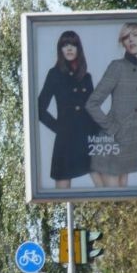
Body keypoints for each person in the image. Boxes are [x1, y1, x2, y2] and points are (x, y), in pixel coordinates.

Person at [85, 22, 137, 187]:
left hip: (131, 144)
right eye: (126, 37)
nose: (131, 40)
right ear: (122, 43)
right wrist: (114, 129)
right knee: (113, 197)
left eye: (135, 35)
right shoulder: (117, 66)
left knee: (122, 198)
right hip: (111, 142)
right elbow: (92, 103)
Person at [37, 30, 101, 188]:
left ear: (79, 48)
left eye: (73, 44)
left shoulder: (86, 77)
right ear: (60, 49)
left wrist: (101, 134)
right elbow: (39, 108)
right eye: (65, 45)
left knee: (105, 188)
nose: (69, 48)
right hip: (66, 141)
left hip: (88, 139)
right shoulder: (54, 74)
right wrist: (59, 128)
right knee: (62, 192)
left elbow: (93, 110)